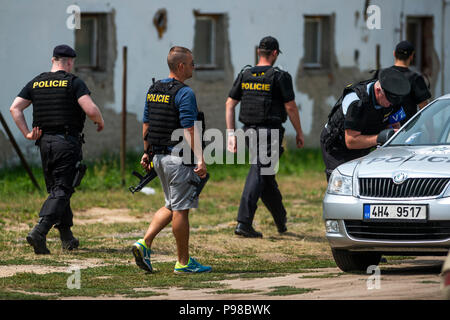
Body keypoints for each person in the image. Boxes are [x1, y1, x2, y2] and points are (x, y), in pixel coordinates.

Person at [9, 44, 104, 254]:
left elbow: (15, 108)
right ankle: (39, 231)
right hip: (66, 142)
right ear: (69, 62)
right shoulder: (73, 82)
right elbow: (90, 108)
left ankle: (66, 237)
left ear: (53, 60)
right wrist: (99, 120)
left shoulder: (37, 82)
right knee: (62, 189)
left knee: (57, 189)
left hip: (44, 143)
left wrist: (26, 133)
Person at [132, 46, 211, 274]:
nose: (194, 67)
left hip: (159, 158)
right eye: (192, 63)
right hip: (178, 160)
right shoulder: (185, 93)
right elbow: (189, 128)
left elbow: (146, 123)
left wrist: (147, 152)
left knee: (171, 204)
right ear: (181, 66)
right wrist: (200, 159)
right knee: (181, 210)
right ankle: (183, 263)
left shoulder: (154, 89)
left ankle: (144, 243)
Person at [225, 36, 305, 238]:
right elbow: (290, 107)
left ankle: (281, 220)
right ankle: (243, 223)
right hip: (269, 134)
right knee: (260, 172)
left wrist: (231, 134)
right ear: (275, 53)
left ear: (258, 52)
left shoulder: (245, 74)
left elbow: (229, 104)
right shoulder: (280, 76)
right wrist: (299, 132)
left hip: (248, 132)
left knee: (266, 177)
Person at [320, 68, 410, 181]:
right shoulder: (356, 101)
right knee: (343, 181)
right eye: (389, 100)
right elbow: (351, 141)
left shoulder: (392, 98)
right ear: (378, 90)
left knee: (365, 180)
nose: (391, 104)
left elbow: (395, 125)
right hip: (338, 145)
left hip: (364, 140)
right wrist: (380, 138)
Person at [388, 40, 432, 124]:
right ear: (411, 56)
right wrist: (432, 134)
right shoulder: (415, 78)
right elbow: (425, 109)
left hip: (385, 132)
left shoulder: (382, 75)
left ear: (394, 54)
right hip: (407, 132)